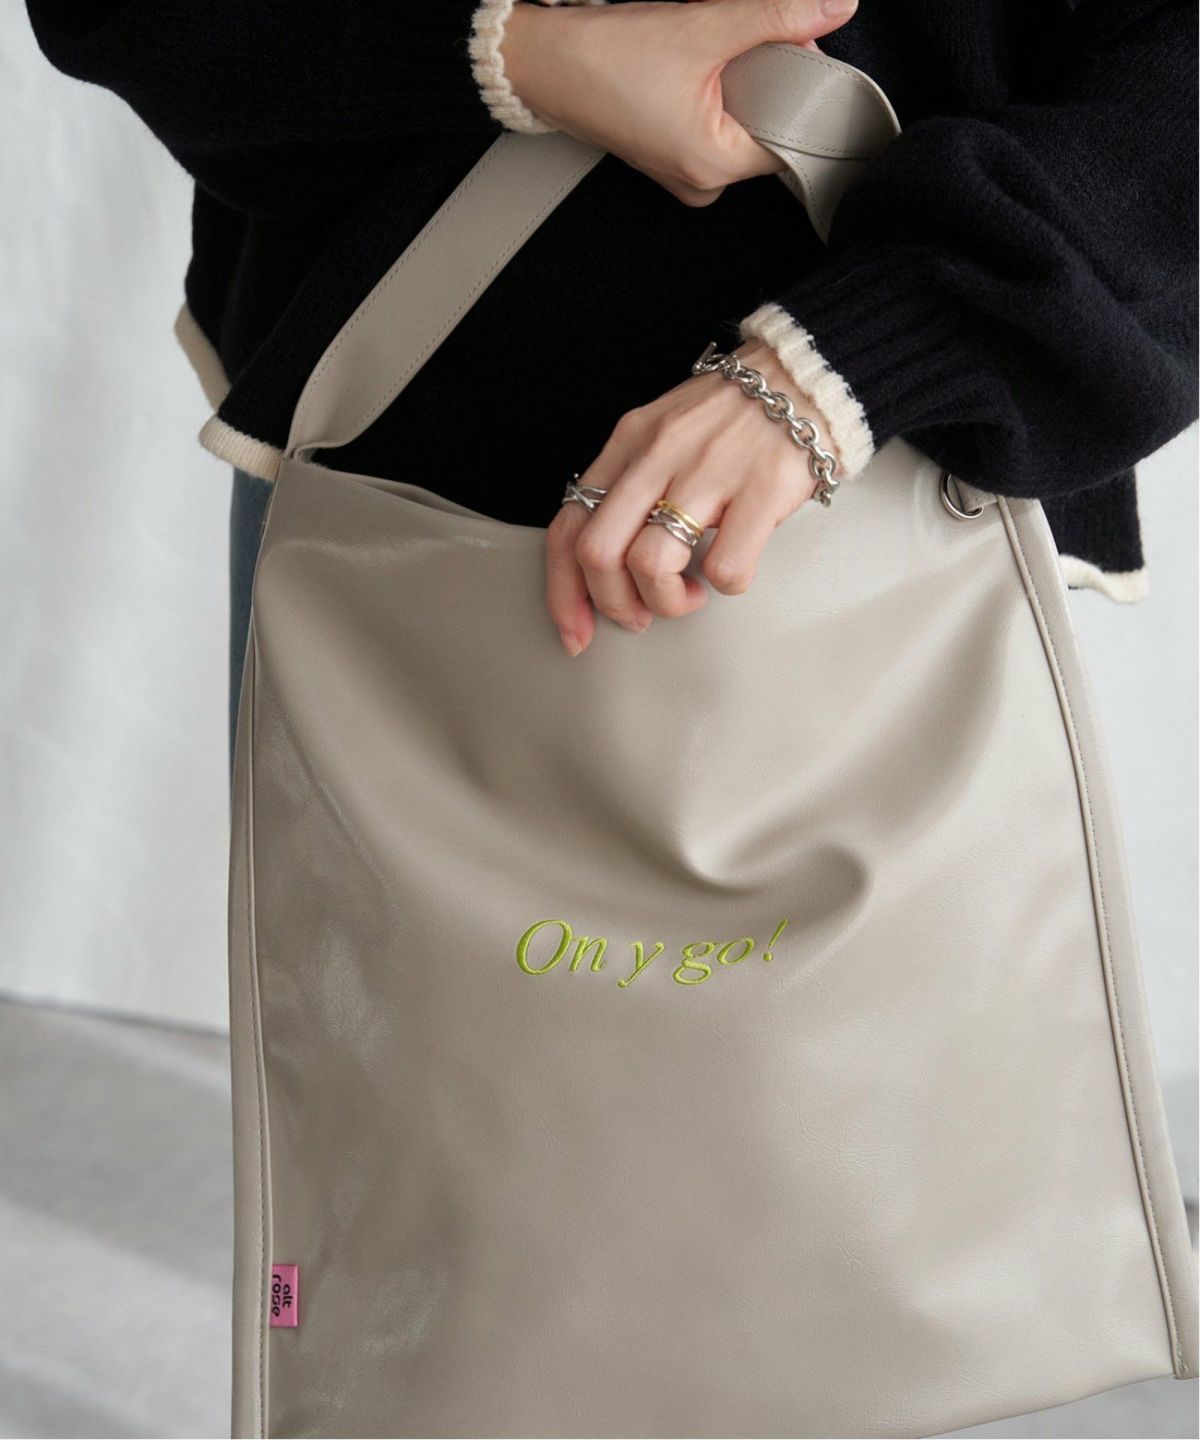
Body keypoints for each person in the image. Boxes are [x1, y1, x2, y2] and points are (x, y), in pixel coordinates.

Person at [26, 0, 1198, 749]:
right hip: (373, 453)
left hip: (900, 473)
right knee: (378, 1046)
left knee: (868, 1059)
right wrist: (515, 53)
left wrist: (856, 357)